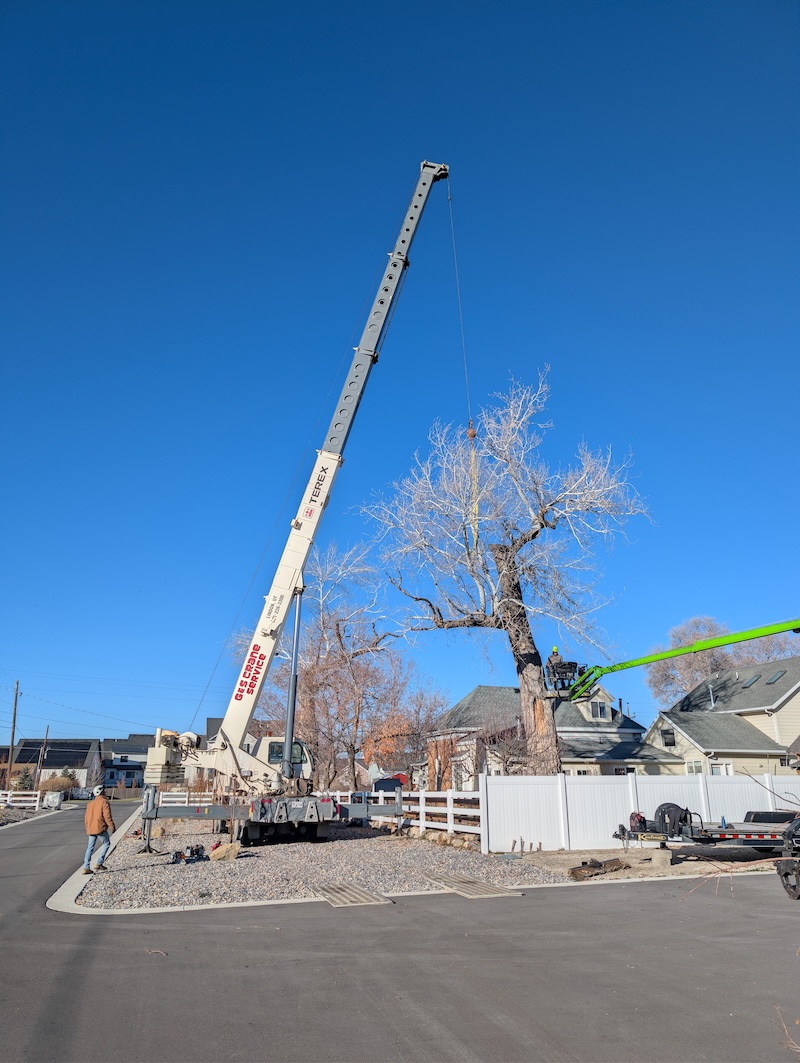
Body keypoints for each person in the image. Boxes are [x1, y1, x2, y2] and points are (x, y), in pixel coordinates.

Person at [82, 785, 116, 874]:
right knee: (107, 843)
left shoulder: (90, 804)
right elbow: (107, 816)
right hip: (100, 828)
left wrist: (87, 827)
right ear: (101, 792)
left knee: (90, 847)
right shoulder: (104, 802)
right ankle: (99, 863)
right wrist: (112, 826)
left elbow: (86, 818)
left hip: (91, 828)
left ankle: (86, 866)